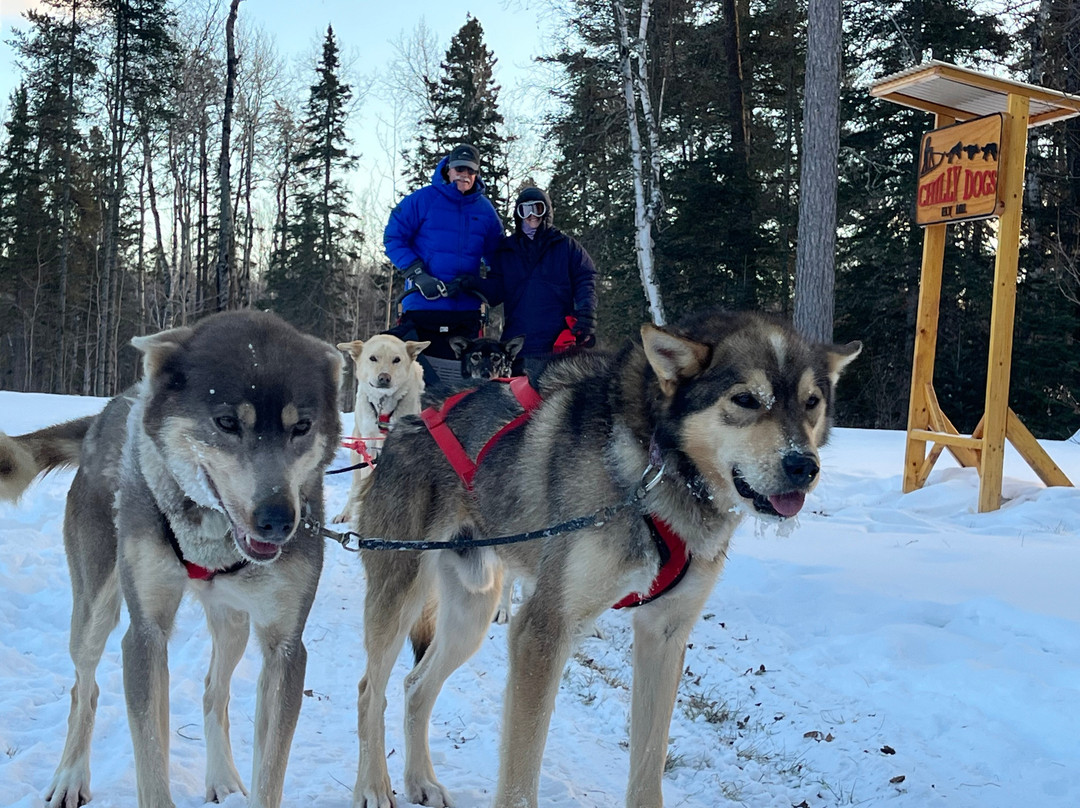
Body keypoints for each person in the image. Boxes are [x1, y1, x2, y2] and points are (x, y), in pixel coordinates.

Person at [383, 143, 504, 385]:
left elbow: (498, 256)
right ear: (448, 169)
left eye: (471, 171)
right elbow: (393, 237)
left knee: (464, 388)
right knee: (416, 383)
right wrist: (419, 275)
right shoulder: (422, 200)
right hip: (422, 306)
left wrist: (485, 285)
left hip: (466, 312)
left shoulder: (485, 210)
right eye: (460, 169)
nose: (465, 175)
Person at [480, 186, 597, 373]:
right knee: (518, 397)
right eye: (525, 210)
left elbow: (585, 279)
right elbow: (495, 293)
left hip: (558, 344)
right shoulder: (506, 250)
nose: (532, 215)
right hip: (518, 344)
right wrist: (473, 284)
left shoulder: (566, 246)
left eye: (538, 208)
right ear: (518, 214)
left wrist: (586, 315)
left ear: (547, 212)